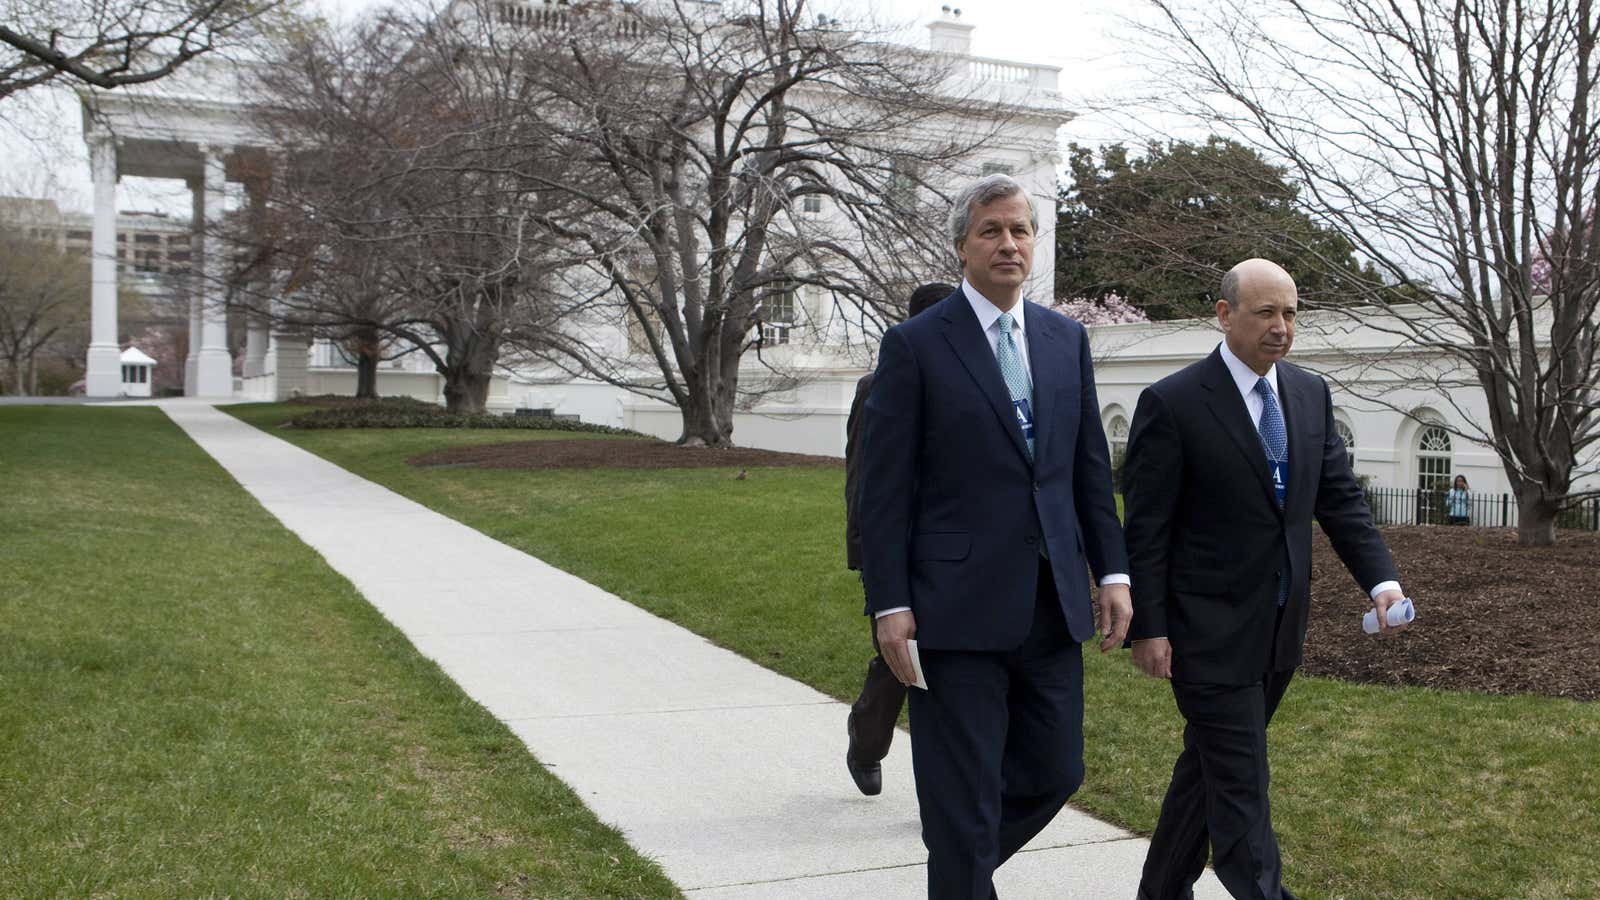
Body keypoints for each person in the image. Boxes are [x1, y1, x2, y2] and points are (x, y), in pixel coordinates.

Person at [857, 173, 1132, 898]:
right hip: (952, 611)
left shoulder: (1064, 339)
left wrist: (1113, 574)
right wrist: (889, 603)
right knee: (961, 800)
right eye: (991, 231)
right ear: (961, 247)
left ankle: (959, 870)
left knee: (1056, 772)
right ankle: (962, 866)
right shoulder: (915, 345)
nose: (1008, 243)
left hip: (1051, 605)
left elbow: (1085, 470)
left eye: (1020, 230)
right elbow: (882, 491)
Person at [1123, 258, 1411, 900]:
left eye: (1290, 314)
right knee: (1242, 788)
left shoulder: (1309, 394)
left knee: (1208, 772)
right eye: (1265, 313)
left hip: (1279, 627)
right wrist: (1151, 627)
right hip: (1204, 633)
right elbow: (1146, 530)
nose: (1281, 327)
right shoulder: (1171, 403)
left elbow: (1338, 500)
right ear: (1224, 315)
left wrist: (1381, 582)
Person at [844, 280, 955, 796]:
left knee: (952, 671)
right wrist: (867, 553)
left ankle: (949, 793)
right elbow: (864, 476)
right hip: (892, 550)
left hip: (955, 549)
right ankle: (866, 742)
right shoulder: (879, 383)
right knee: (900, 664)